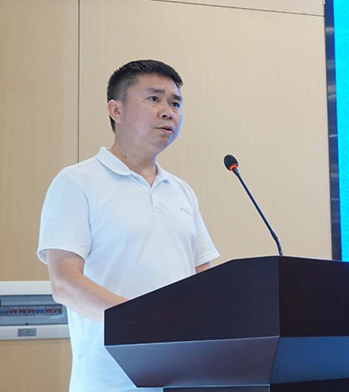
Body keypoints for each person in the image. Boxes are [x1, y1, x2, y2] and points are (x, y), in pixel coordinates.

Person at [37, 60, 220, 392]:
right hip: (110, 381)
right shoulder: (77, 182)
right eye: (154, 99)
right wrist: (146, 320)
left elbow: (204, 282)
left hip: (186, 376)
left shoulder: (181, 191)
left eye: (175, 103)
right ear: (116, 110)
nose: (168, 112)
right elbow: (64, 283)